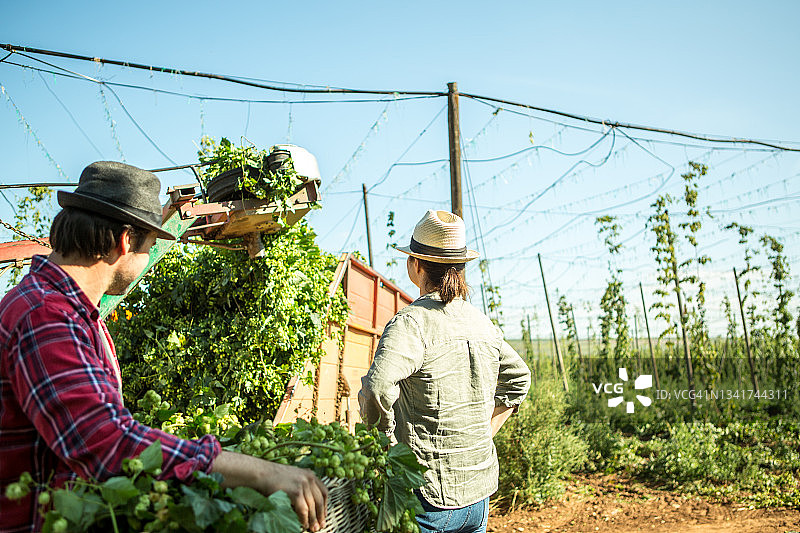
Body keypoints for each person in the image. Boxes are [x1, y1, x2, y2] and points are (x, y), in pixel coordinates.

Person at [0, 162, 327, 533]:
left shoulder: (72, 314)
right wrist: (259, 471)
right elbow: (107, 444)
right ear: (126, 241)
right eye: (150, 246)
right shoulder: (46, 315)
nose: (146, 259)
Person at [359, 209, 531, 533]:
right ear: (461, 268)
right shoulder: (483, 323)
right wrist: (486, 429)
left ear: (416, 265)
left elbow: (378, 387)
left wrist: (385, 448)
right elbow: (519, 377)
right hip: (479, 497)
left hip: (428, 499)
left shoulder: (411, 323)